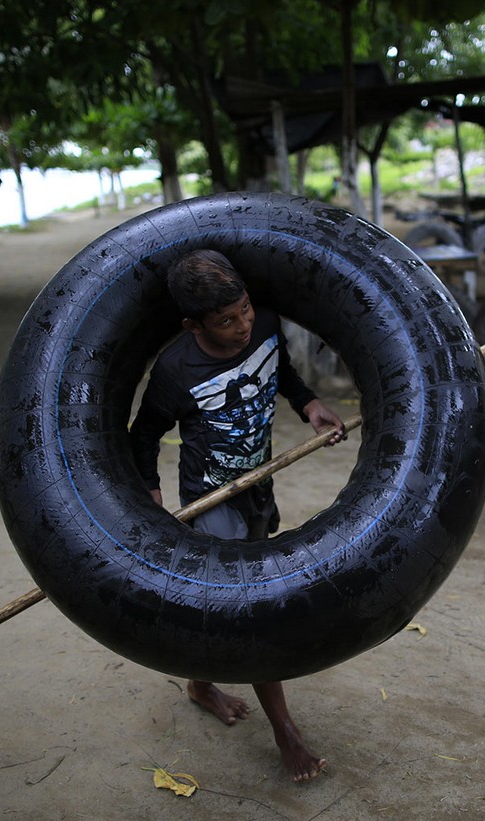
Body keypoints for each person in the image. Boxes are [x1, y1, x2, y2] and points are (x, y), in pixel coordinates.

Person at [129, 248, 347, 782]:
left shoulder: (265, 324)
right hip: (210, 498)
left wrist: (309, 405)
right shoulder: (177, 371)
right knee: (249, 605)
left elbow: (282, 372)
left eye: (245, 309)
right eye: (226, 321)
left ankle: (201, 683)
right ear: (192, 324)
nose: (243, 325)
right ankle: (285, 731)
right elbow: (143, 436)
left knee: (222, 598)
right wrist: (152, 492)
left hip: (256, 483)